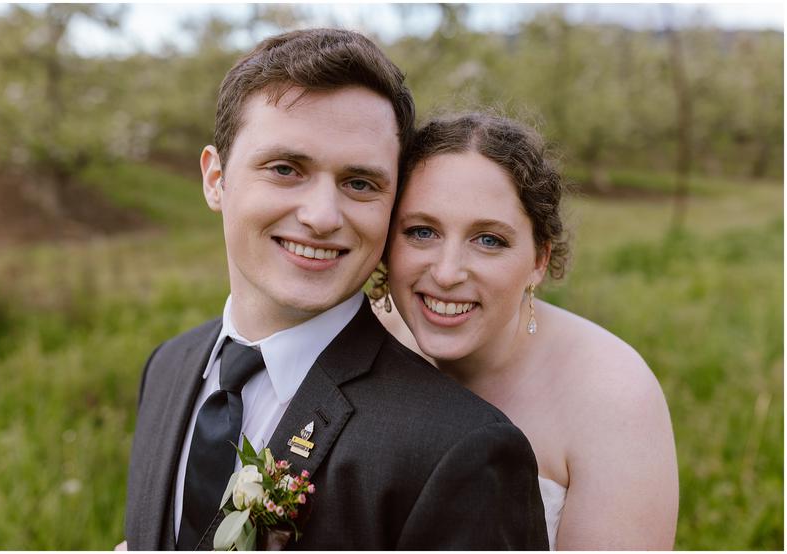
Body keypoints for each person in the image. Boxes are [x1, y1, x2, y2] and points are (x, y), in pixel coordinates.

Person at [121, 30, 548, 550]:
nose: (322, 217)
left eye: (360, 183)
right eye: (285, 169)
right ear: (216, 179)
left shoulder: (456, 448)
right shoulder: (167, 367)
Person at [375, 112, 679, 550]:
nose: (446, 273)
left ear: (539, 259)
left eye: (489, 240)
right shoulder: (359, 340)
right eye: (422, 232)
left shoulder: (613, 395)